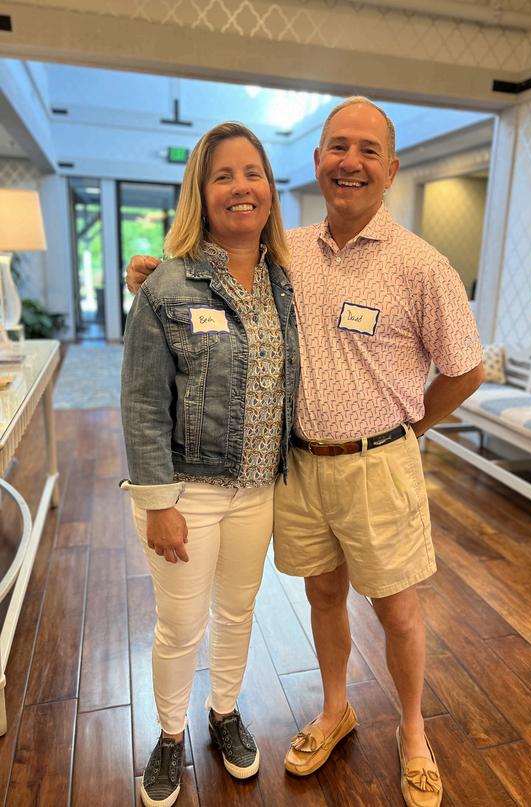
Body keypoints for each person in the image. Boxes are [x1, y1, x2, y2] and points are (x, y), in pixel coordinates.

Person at [126, 97, 484, 807]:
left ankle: (415, 733)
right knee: (322, 595)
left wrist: (407, 430)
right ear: (317, 161)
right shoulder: (287, 255)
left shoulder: (421, 265)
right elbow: (214, 279)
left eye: (368, 151)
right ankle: (333, 709)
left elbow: (466, 369)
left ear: (391, 168)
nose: (351, 163)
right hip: (297, 468)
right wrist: (153, 274)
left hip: (376, 464)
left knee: (398, 612)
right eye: (337, 148)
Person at [120, 122, 299, 807]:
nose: (240, 187)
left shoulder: (285, 282)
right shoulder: (166, 287)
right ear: (200, 192)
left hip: (257, 491)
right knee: (179, 625)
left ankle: (224, 712)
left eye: (253, 173)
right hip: (185, 491)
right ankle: (170, 734)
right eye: (223, 176)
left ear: (270, 189)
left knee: (238, 611)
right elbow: (142, 402)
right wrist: (158, 501)